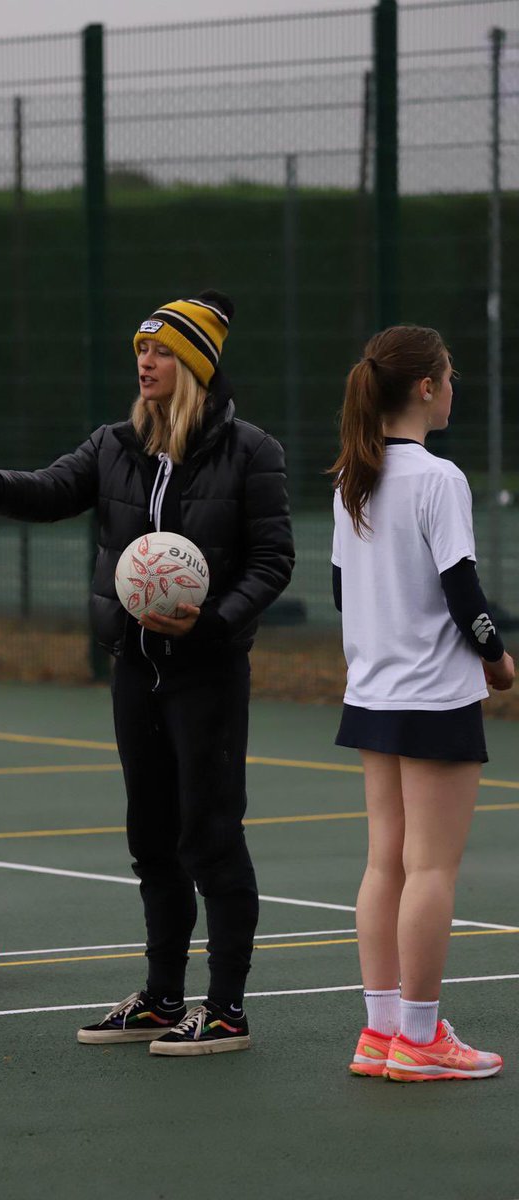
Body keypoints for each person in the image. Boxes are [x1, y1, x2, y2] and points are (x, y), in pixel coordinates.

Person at [0, 291, 294, 1054]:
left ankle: (226, 1007)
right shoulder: (114, 445)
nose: (146, 361)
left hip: (207, 672)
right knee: (152, 838)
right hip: (135, 669)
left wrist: (214, 623)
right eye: (141, 349)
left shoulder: (250, 452)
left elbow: (273, 561)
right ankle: (163, 998)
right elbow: (55, 486)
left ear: (195, 365)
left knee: (211, 835)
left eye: (163, 350)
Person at [329, 324, 514, 1082]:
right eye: (450, 374)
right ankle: (422, 1037)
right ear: (427, 388)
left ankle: (380, 1033)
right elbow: (463, 593)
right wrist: (498, 661)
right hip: (433, 699)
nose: (453, 387)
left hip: (373, 693)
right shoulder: (439, 479)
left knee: (387, 864)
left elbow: (345, 592)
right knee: (431, 869)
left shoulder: (352, 477)